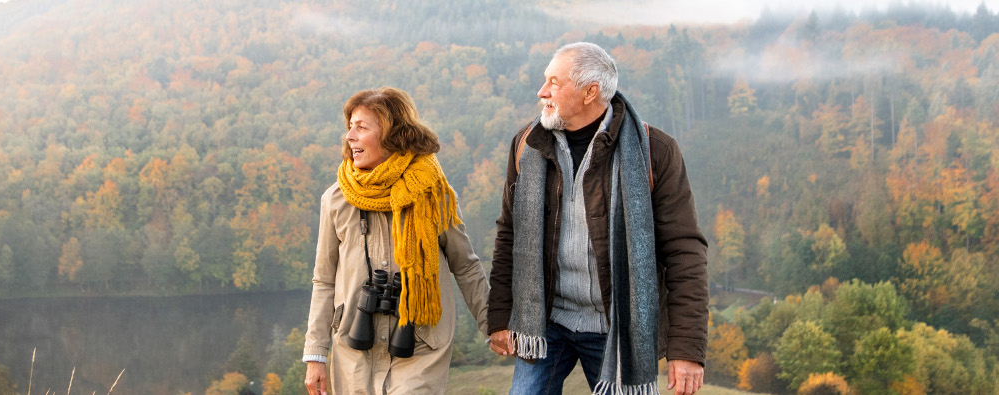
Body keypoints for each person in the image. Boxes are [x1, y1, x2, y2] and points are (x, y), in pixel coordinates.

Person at [485, 42, 709, 395]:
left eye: (554, 83)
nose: (542, 92)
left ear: (590, 92)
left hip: (616, 328)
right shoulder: (527, 145)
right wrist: (499, 316)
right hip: (545, 322)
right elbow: (509, 235)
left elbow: (684, 252)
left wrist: (687, 348)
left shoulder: (655, 152)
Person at [302, 87, 491, 394]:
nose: (350, 136)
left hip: (419, 346)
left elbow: (465, 266)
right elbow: (324, 280)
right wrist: (315, 355)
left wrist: (492, 326)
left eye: (361, 127)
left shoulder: (430, 192)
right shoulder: (336, 199)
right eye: (349, 126)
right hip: (353, 349)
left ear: (393, 135)